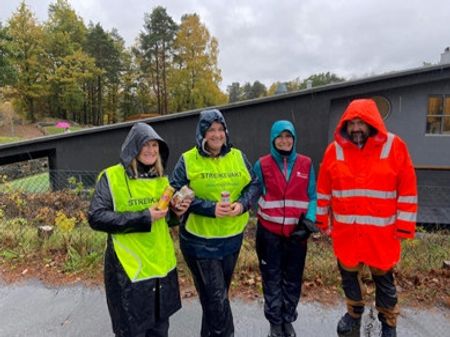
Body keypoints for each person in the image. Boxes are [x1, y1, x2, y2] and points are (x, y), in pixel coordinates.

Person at [316, 99, 418, 337]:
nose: (356, 129)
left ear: (373, 123)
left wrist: (404, 227)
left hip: (382, 234)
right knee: (348, 277)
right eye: (352, 123)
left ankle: (389, 323)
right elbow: (324, 189)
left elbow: (408, 189)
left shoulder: (395, 146)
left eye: (362, 122)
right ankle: (353, 315)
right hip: (347, 232)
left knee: (385, 281)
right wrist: (322, 220)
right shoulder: (334, 150)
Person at [88, 122, 191, 337]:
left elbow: (166, 220)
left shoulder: (162, 180)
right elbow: (96, 217)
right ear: (133, 147)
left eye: (155, 145)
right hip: (129, 270)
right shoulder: (111, 177)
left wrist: (176, 213)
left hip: (161, 268)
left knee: (159, 330)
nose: (151, 150)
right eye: (145, 145)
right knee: (131, 331)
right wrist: (144, 216)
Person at [170, 109, 260, 337]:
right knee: (217, 300)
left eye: (221, 129)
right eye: (211, 130)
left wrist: (242, 205)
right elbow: (175, 192)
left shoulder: (237, 156)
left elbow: (254, 185)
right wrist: (210, 209)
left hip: (231, 241)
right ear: (202, 133)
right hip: (200, 242)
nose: (217, 135)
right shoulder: (188, 159)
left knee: (214, 299)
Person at [253, 120, 317, 337]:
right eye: (280, 137)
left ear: (294, 138)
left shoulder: (306, 164)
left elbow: (313, 196)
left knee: (292, 278)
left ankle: (288, 318)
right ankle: (275, 321)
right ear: (273, 139)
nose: (284, 140)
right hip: (268, 233)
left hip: (296, 234)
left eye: (288, 136)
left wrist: (308, 221)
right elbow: (252, 192)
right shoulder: (261, 165)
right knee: (271, 278)